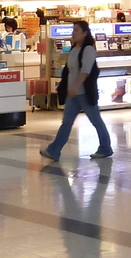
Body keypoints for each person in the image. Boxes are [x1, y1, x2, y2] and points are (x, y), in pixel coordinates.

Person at [39, 21, 112, 161]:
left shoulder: (88, 50)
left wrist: (75, 87)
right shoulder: (74, 49)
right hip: (73, 94)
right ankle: (54, 150)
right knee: (66, 122)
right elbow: (69, 71)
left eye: (77, 30)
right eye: (73, 29)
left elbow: (85, 71)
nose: (73, 32)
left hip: (84, 93)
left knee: (96, 120)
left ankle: (105, 148)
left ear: (85, 33)